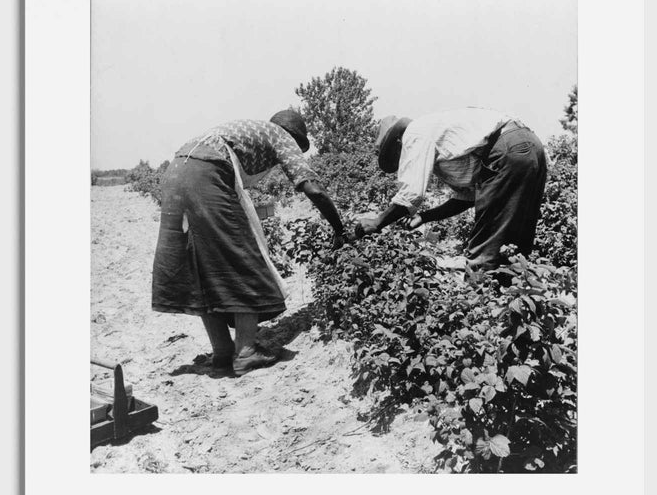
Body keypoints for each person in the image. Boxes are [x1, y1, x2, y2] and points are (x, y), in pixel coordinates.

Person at [152, 110, 348, 376]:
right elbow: (312, 187)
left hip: (176, 171)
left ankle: (222, 352)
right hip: (206, 172)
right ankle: (245, 352)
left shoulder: (248, 130)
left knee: (202, 265)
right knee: (244, 259)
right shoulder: (281, 136)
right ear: (294, 135)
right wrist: (340, 229)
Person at [358, 107, 548, 279]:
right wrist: (424, 217)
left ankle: (478, 309)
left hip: (507, 149)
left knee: (485, 253)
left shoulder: (414, 133)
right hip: (529, 147)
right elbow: (467, 197)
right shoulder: (439, 140)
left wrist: (377, 222)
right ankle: (515, 307)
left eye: (396, 154)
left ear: (398, 141)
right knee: (514, 248)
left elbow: (411, 194)